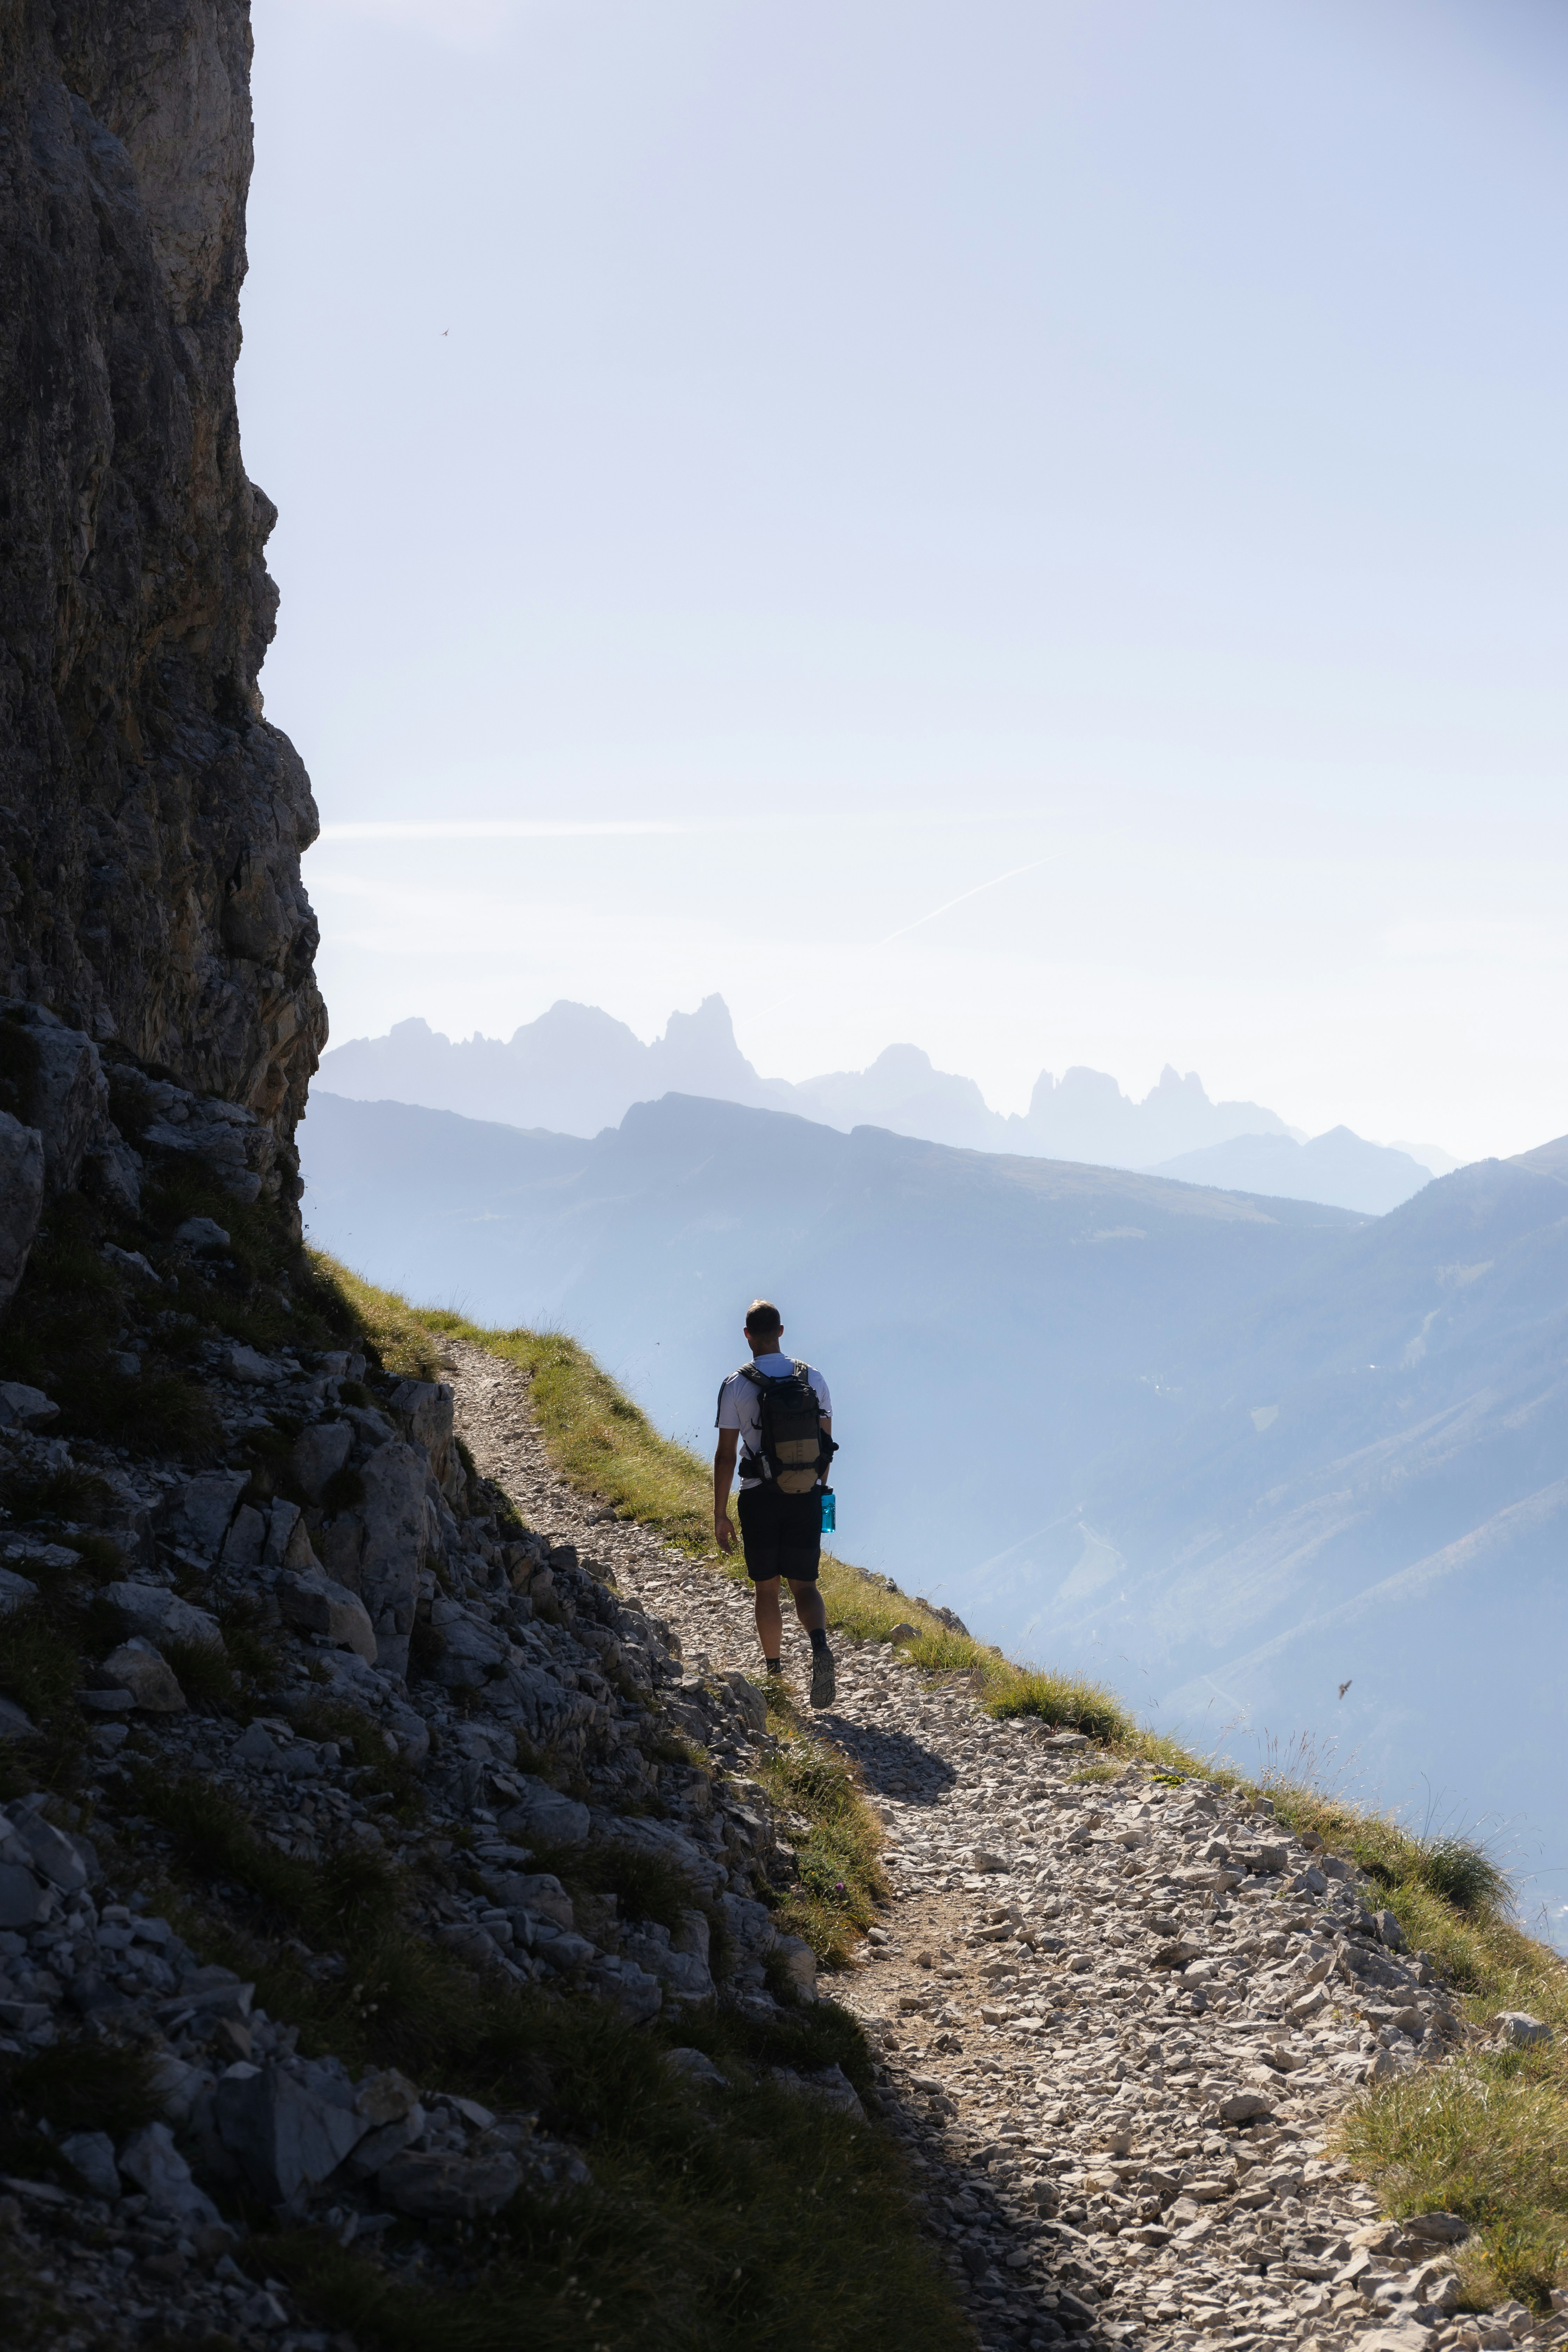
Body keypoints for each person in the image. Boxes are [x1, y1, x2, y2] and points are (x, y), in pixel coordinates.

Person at [713, 1298, 837, 1708]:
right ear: (781, 1332)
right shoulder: (812, 1377)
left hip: (758, 1496)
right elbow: (826, 1446)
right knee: (805, 1583)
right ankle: (819, 1646)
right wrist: (816, 1492)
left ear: (747, 1335)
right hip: (805, 1494)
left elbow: (726, 1454)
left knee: (766, 1589)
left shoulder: (736, 1384)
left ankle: (775, 1676)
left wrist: (720, 1514)